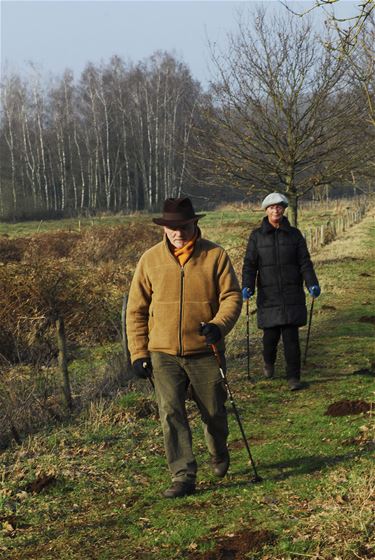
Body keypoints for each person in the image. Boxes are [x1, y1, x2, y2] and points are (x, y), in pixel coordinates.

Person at [126, 197, 242, 498]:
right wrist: (138, 353)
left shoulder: (216, 255)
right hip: (162, 353)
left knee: (215, 411)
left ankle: (219, 451)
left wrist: (218, 325)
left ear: (195, 224)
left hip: (205, 351)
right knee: (170, 413)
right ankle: (183, 476)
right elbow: (136, 310)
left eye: (184, 226)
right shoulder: (149, 260)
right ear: (164, 228)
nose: (178, 232)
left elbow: (232, 297)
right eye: (171, 227)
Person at [242, 192, 321, 391]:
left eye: (279, 207)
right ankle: (268, 362)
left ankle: (293, 377)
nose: (275, 210)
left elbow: (305, 263)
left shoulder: (295, 235)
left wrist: (312, 283)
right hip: (268, 297)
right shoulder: (256, 236)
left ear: (284, 209)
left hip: (292, 294)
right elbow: (250, 265)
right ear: (266, 210)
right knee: (270, 339)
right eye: (271, 207)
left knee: (291, 340)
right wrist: (247, 286)